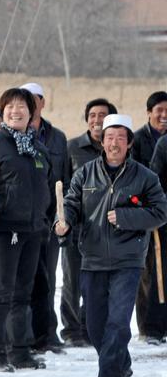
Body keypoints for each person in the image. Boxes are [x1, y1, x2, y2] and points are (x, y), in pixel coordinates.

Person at [55, 114, 167, 377]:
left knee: (118, 320)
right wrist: (63, 222)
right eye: (109, 138)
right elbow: (71, 204)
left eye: (120, 138)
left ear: (129, 143)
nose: (114, 143)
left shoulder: (145, 177)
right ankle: (121, 362)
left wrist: (126, 217)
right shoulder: (85, 173)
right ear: (102, 142)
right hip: (92, 258)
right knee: (94, 325)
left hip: (128, 260)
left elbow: (160, 212)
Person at [0, 88, 53, 372]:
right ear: (3, 111)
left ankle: (19, 351)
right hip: (3, 229)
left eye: (22, 106)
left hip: (33, 229)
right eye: (10, 106)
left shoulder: (38, 147)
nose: (15, 111)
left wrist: (45, 219)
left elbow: (46, 185)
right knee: (1, 291)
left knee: (24, 292)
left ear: (31, 113)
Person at [61, 98, 118, 347]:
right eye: (92, 115)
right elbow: (62, 184)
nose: (96, 120)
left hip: (107, 229)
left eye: (102, 115)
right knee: (72, 280)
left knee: (98, 282)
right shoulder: (72, 147)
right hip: (77, 226)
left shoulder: (118, 149)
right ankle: (72, 330)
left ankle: (90, 327)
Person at [20, 82, 69, 355]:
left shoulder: (57, 137)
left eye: (35, 98)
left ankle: (47, 333)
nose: (31, 103)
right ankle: (23, 334)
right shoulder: (12, 135)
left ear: (42, 103)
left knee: (48, 278)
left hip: (50, 220)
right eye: (25, 99)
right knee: (24, 279)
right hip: (22, 220)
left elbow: (64, 177)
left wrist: (63, 216)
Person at [133, 91, 167, 345]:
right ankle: (150, 328)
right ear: (149, 113)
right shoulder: (137, 140)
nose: (164, 116)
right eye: (159, 111)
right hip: (148, 212)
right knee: (151, 273)